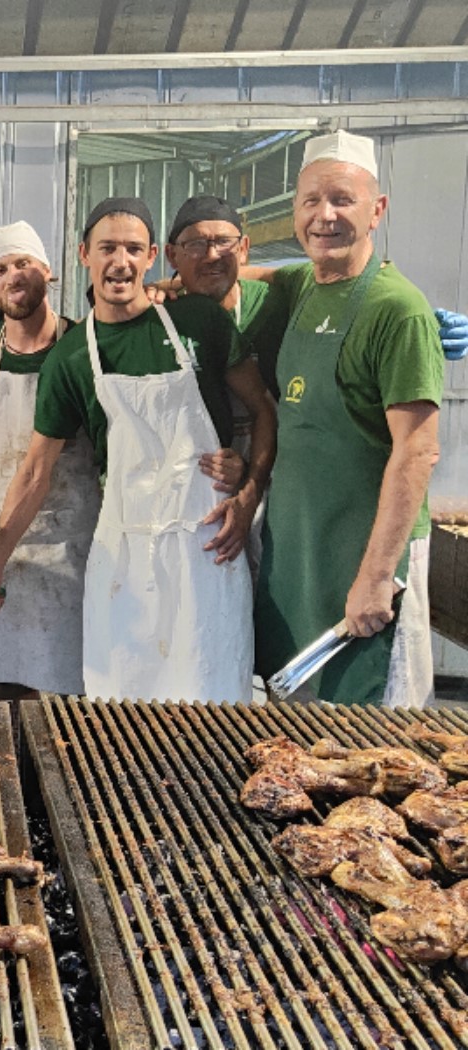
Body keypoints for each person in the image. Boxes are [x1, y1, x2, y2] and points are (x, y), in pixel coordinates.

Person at [0, 197, 278, 703]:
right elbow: (34, 473)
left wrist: (247, 495)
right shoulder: (72, 358)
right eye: (108, 248)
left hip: (206, 543)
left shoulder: (199, 322)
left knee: (212, 691)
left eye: (134, 249)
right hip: (123, 554)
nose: (121, 262)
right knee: (122, 703)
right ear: (83, 255)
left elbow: (265, 411)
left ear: (153, 255)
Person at [254, 130, 443, 706]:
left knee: (374, 737)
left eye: (342, 200)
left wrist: (378, 574)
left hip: (367, 550)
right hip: (300, 548)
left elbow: (417, 451)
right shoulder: (301, 285)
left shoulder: (397, 309)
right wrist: (164, 286)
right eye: (311, 201)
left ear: (377, 210)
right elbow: (245, 277)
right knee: (298, 729)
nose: (324, 216)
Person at [0, 222, 97, 696]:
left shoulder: (82, 346)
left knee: (66, 699)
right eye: (0, 269)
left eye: (23, 263)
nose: (13, 275)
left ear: (48, 270)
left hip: (69, 546)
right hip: (0, 547)